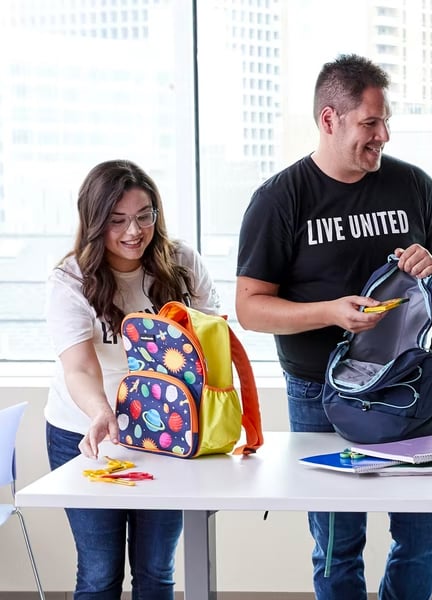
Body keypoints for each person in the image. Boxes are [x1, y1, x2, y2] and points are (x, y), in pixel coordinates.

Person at [235, 54, 432, 600]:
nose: (383, 135)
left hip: (408, 387)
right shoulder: (279, 199)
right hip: (319, 392)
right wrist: (330, 312)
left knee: (424, 532)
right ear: (330, 119)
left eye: (385, 122)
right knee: (338, 544)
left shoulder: (413, 185)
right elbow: (250, 308)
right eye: (370, 122)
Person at [45, 159, 220, 599]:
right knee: (100, 573)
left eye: (144, 216)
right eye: (117, 220)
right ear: (93, 221)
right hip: (85, 432)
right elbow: (80, 367)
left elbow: (213, 338)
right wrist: (103, 412)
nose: (133, 231)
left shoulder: (181, 263)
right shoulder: (70, 280)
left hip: (167, 434)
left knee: (157, 571)